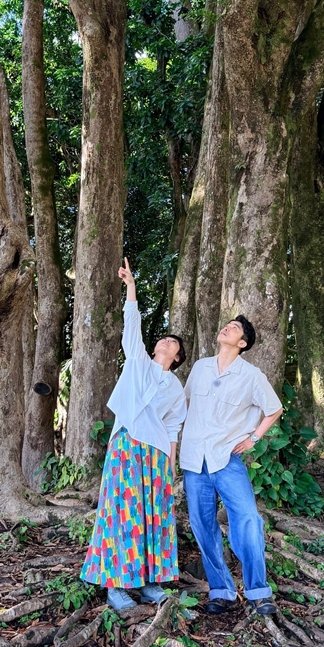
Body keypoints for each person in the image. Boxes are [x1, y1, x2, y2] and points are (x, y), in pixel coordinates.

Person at [81, 258, 187, 612]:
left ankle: (151, 583)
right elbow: (131, 328)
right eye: (165, 338)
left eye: (173, 342)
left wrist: (170, 466)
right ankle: (116, 586)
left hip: (156, 453)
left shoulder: (175, 387)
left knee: (154, 514)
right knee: (121, 511)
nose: (167, 341)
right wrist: (130, 288)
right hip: (126, 444)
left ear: (177, 357)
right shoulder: (138, 362)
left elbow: (173, 427)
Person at [180, 316, 283, 616]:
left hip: (226, 458)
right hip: (193, 460)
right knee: (202, 525)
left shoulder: (251, 375)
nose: (226, 327)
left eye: (234, 328)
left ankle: (258, 592)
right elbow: (183, 406)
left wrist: (254, 438)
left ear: (242, 343)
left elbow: (274, 409)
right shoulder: (200, 367)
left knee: (248, 519)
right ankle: (222, 591)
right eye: (226, 324)